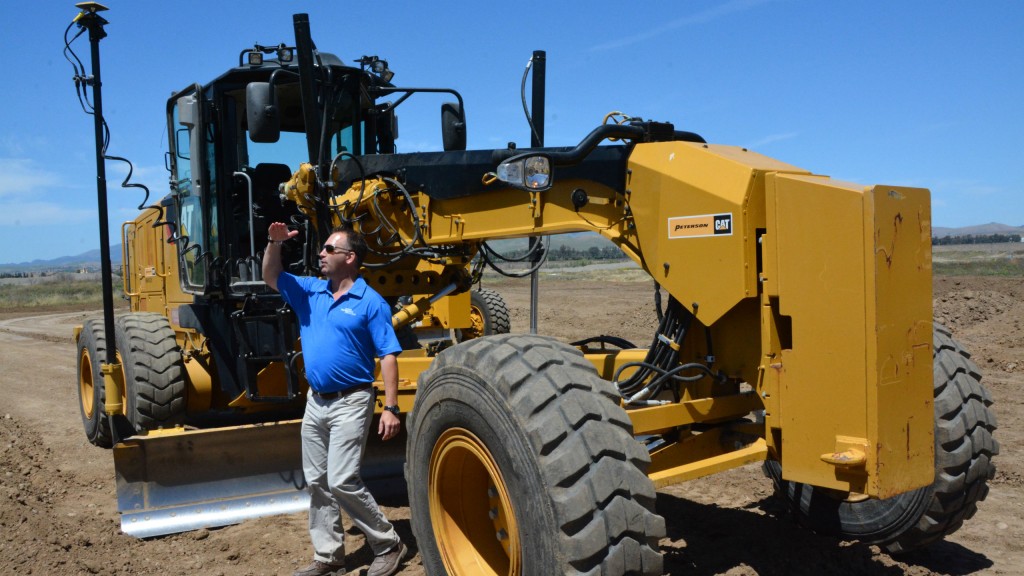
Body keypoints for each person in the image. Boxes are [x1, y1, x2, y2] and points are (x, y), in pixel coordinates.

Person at [263, 221, 408, 576]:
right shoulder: (310, 291)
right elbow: (272, 275)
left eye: (330, 249)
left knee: (341, 479)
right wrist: (274, 243)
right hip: (316, 402)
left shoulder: (370, 303)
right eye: (322, 249)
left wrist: (390, 407)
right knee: (317, 482)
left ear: (350, 257)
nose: (321, 254)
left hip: (352, 400)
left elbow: (388, 354)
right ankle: (329, 557)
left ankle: (389, 544)